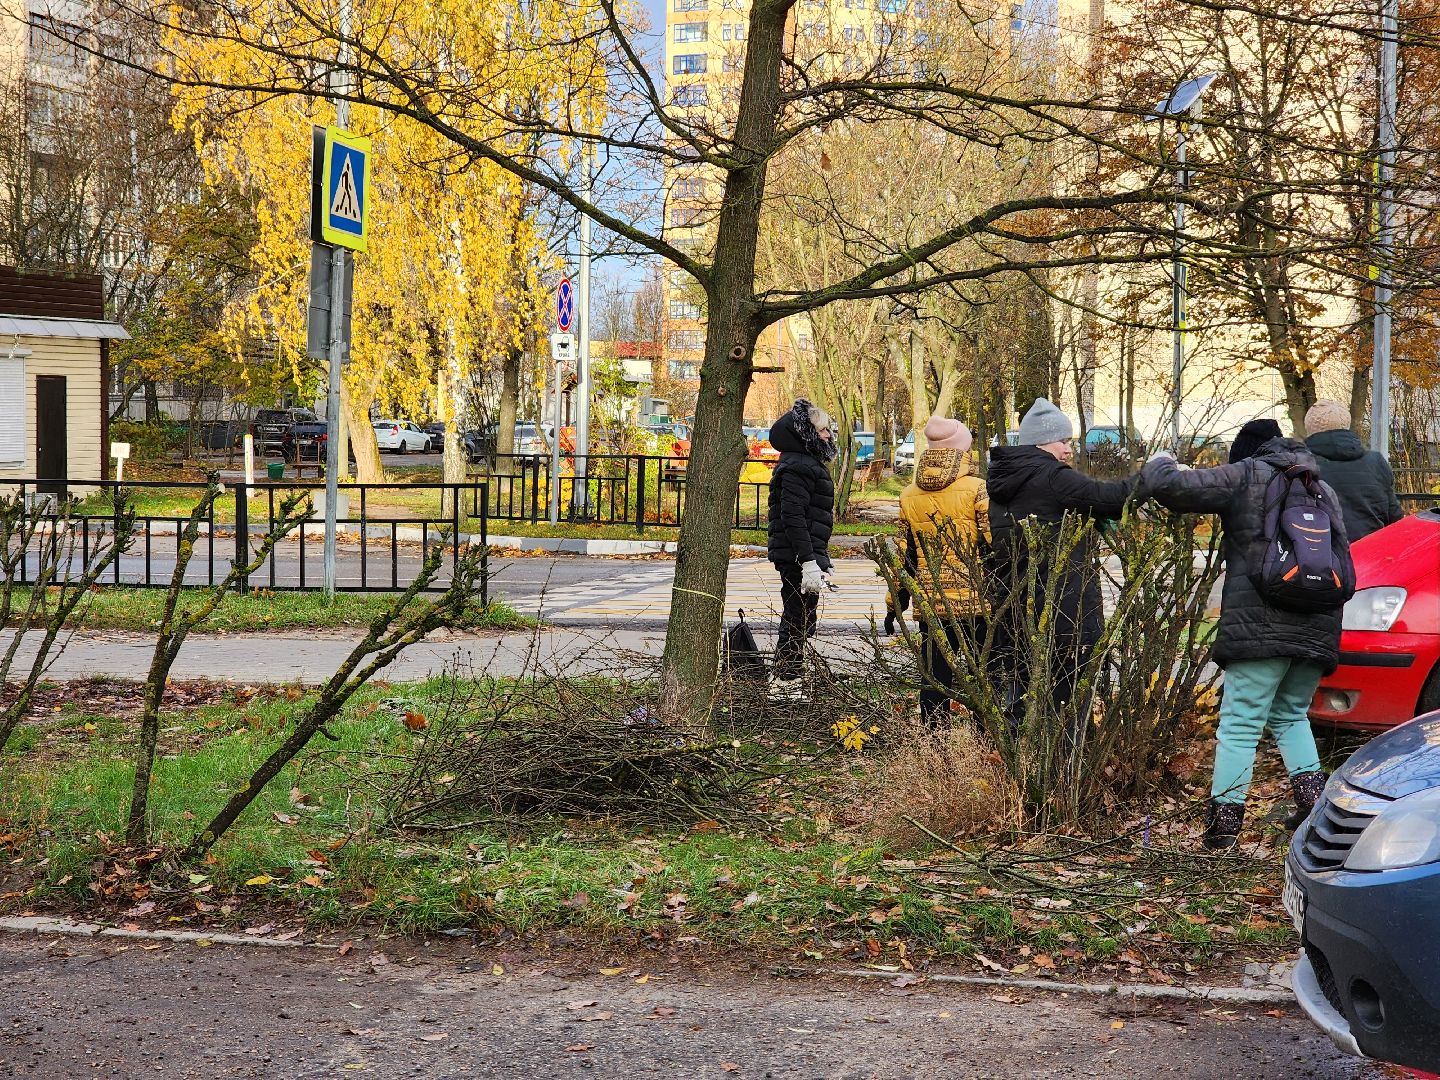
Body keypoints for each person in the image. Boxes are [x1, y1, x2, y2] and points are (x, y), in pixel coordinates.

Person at [1142, 418, 1343, 849]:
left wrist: (1158, 462)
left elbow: (1175, 489)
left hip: (1261, 627)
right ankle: (1316, 805)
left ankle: (1224, 829)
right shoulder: (1319, 487)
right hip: (1319, 623)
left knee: (1239, 726)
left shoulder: (1247, 473)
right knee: (1290, 714)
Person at [986, 398, 1135, 732]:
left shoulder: (1002, 482)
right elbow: (1112, 497)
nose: (1069, 450)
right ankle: (1064, 778)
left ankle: (1022, 775)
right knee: (1068, 707)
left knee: (1025, 704)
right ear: (1043, 442)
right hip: (1065, 615)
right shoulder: (1053, 476)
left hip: (1016, 612)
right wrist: (1158, 474)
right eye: (1064, 442)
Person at [895, 415, 991, 726]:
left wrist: (894, 600)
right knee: (982, 674)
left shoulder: (909, 494)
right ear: (963, 451)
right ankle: (985, 742)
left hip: (931, 601)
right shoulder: (977, 489)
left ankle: (935, 744)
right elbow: (993, 546)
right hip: (976, 601)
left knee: (934, 676)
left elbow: (904, 555)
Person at [766, 398, 836, 701]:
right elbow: (793, 517)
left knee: (803, 616)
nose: (828, 436)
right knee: (797, 616)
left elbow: (808, 518)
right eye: (822, 431)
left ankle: (789, 675)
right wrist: (809, 561)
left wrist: (820, 560)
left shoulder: (805, 463)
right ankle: (785, 680)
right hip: (797, 555)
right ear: (807, 434)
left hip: (803, 553)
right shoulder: (798, 466)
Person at [1304, 398, 1404, 542]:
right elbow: (1394, 517)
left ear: (1310, 427)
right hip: (1371, 550)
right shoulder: (1376, 461)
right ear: (1346, 425)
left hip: (1322, 554)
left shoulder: (1300, 465)